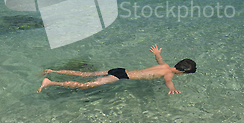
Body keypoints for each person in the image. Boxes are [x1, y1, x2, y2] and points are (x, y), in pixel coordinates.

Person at [37, 44, 196, 95]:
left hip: (120, 69)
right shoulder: (169, 74)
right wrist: (173, 89)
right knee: (86, 85)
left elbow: (158, 59)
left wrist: (157, 53)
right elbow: (168, 82)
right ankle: (50, 82)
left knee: (84, 74)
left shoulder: (165, 66)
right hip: (120, 77)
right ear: (182, 72)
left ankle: (52, 71)